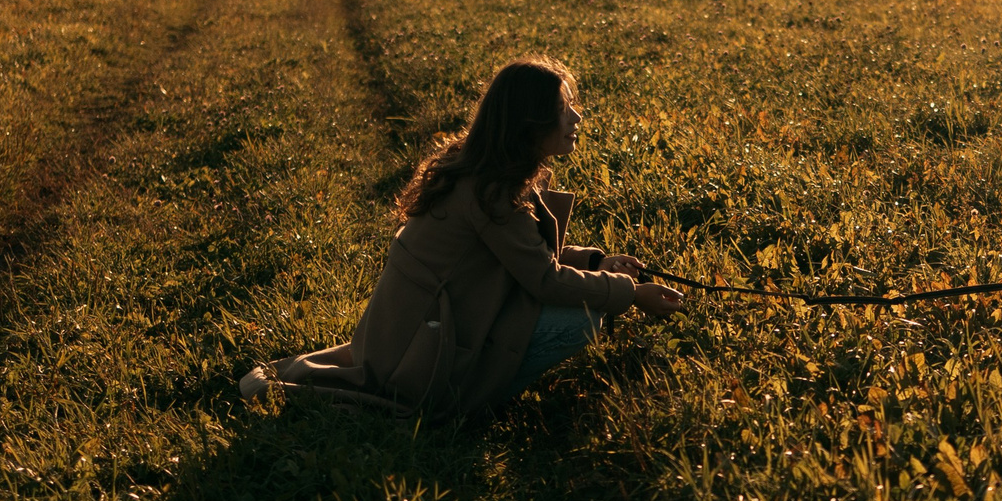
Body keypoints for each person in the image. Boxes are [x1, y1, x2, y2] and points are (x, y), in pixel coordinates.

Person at [239, 57, 686, 419]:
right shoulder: (493, 193)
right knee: (581, 320)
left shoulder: (489, 171)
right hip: (425, 354)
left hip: (411, 332)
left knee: (587, 298)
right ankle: (468, 403)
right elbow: (543, 280)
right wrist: (631, 293)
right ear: (529, 124)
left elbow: (520, 258)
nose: (576, 116)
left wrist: (595, 264)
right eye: (562, 108)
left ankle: (481, 382)